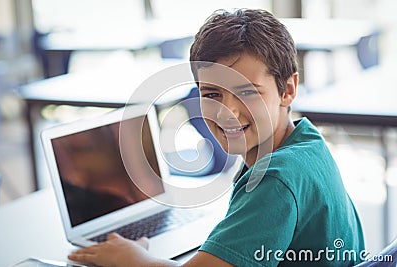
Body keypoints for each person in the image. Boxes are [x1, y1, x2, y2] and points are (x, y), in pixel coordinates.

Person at [68, 8, 365, 266]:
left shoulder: (275, 179)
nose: (227, 112)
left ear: (287, 90)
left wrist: (132, 259)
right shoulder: (306, 142)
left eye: (248, 92)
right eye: (211, 94)